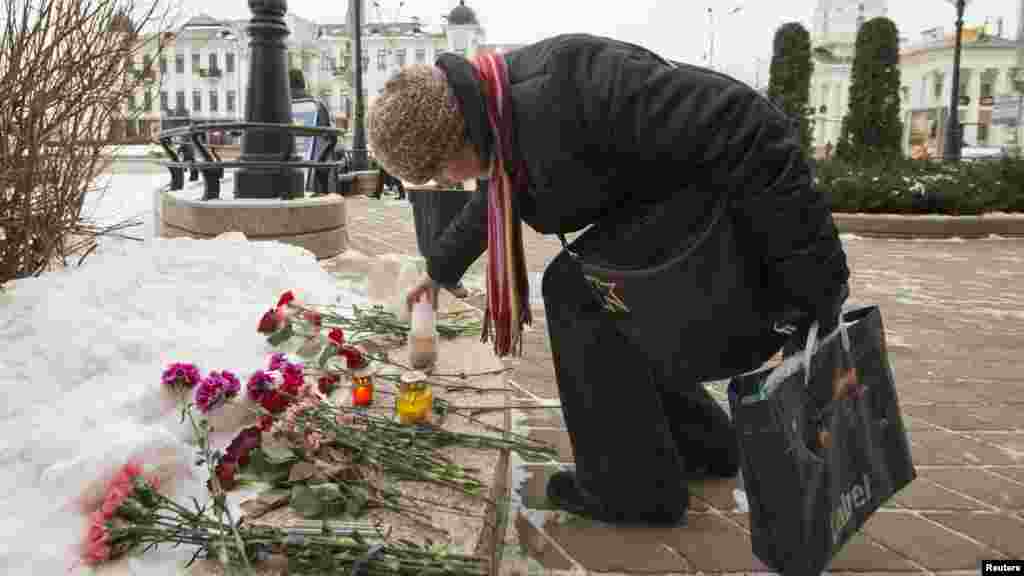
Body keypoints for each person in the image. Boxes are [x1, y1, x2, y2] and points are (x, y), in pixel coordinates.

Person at [368, 34, 849, 526]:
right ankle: (703, 446)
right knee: (603, 289)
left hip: (733, 232)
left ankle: (630, 491)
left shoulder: (578, 84)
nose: (450, 181)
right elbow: (500, 189)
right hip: (678, 210)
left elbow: (747, 123)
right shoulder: (500, 112)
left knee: (579, 294)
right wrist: (438, 269)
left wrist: (815, 286)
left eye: (443, 170)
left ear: (459, 135)